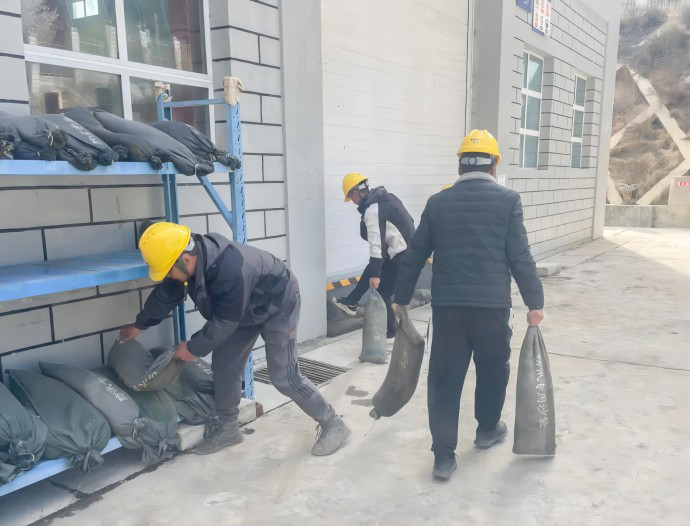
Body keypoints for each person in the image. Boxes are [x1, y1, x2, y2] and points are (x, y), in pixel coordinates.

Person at [119, 222, 350, 456]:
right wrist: (139, 325)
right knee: (225, 365)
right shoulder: (187, 262)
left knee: (283, 375)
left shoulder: (230, 268)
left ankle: (333, 423)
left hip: (279, 304)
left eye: (169, 271)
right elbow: (166, 294)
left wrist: (193, 348)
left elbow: (224, 322)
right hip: (242, 309)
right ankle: (228, 429)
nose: (169, 276)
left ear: (186, 260)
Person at [393, 130, 545, 481]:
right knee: (493, 370)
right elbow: (519, 256)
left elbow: (414, 254)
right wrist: (534, 302)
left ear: (460, 166)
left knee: (445, 378)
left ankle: (443, 457)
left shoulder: (438, 202)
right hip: (492, 308)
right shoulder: (508, 200)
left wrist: (400, 299)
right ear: (494, 166)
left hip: (449, 309)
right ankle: (487, 429)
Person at [333, 173, 415, 339]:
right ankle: (352, 301)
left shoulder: (372, 210)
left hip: (401, 255)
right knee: (372, 270)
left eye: (350, 197)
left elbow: (376, 245)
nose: (352, 201)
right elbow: (410, 221)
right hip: (406, 251)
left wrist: (376, 275)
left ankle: (392, 331)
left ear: (355, 193)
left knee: (382, 293)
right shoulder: (388, 198)